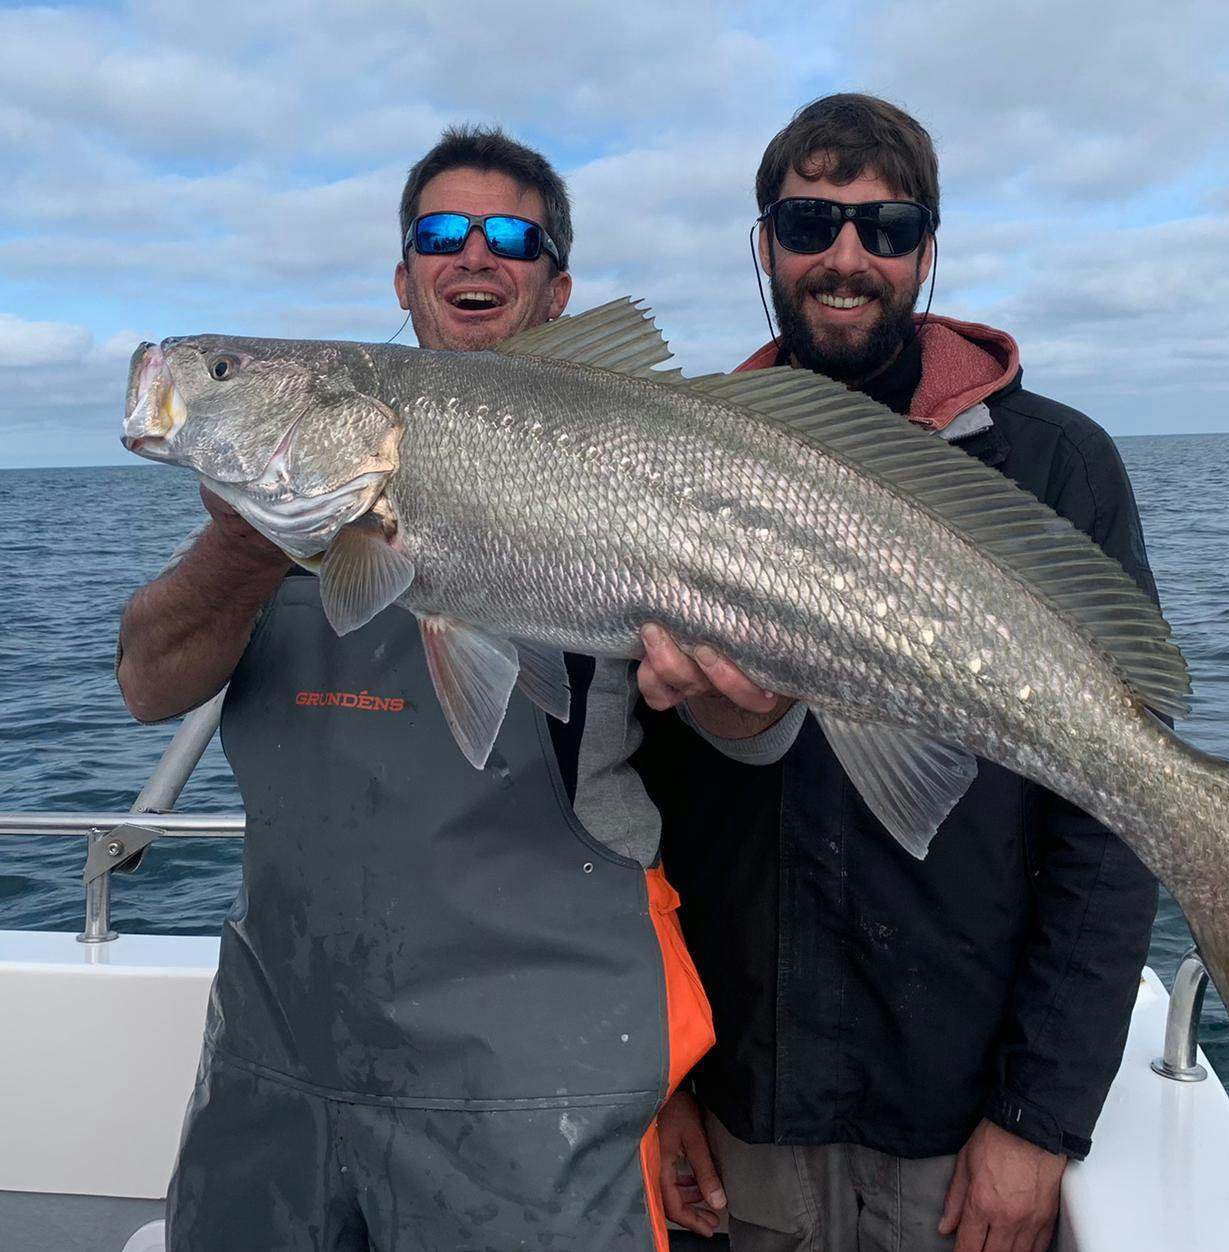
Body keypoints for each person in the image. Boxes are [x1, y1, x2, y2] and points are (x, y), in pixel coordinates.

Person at [118, 124, 763, 1251]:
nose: (476, 256)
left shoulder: (636, 469)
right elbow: (146, 681)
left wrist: (736, 693)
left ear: (556, 291)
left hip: (539, 1078)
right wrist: (251, 537)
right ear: (404, 277)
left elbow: (738, 742)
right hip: (281, 1061)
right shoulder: (291, 488)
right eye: (440, 234)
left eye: (512, 237)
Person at [635, 93, 1163, 1252]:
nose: (845, 257)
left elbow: (1113, 816)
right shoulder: (667, 457)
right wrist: (661, 1079)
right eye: (810, 220)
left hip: (958, 1112)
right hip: (745, 1105)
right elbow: (633, 811)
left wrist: (1038, 1117)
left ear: (928, 249)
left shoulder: (1057, 466)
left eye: (885, 227)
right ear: (764, 239)